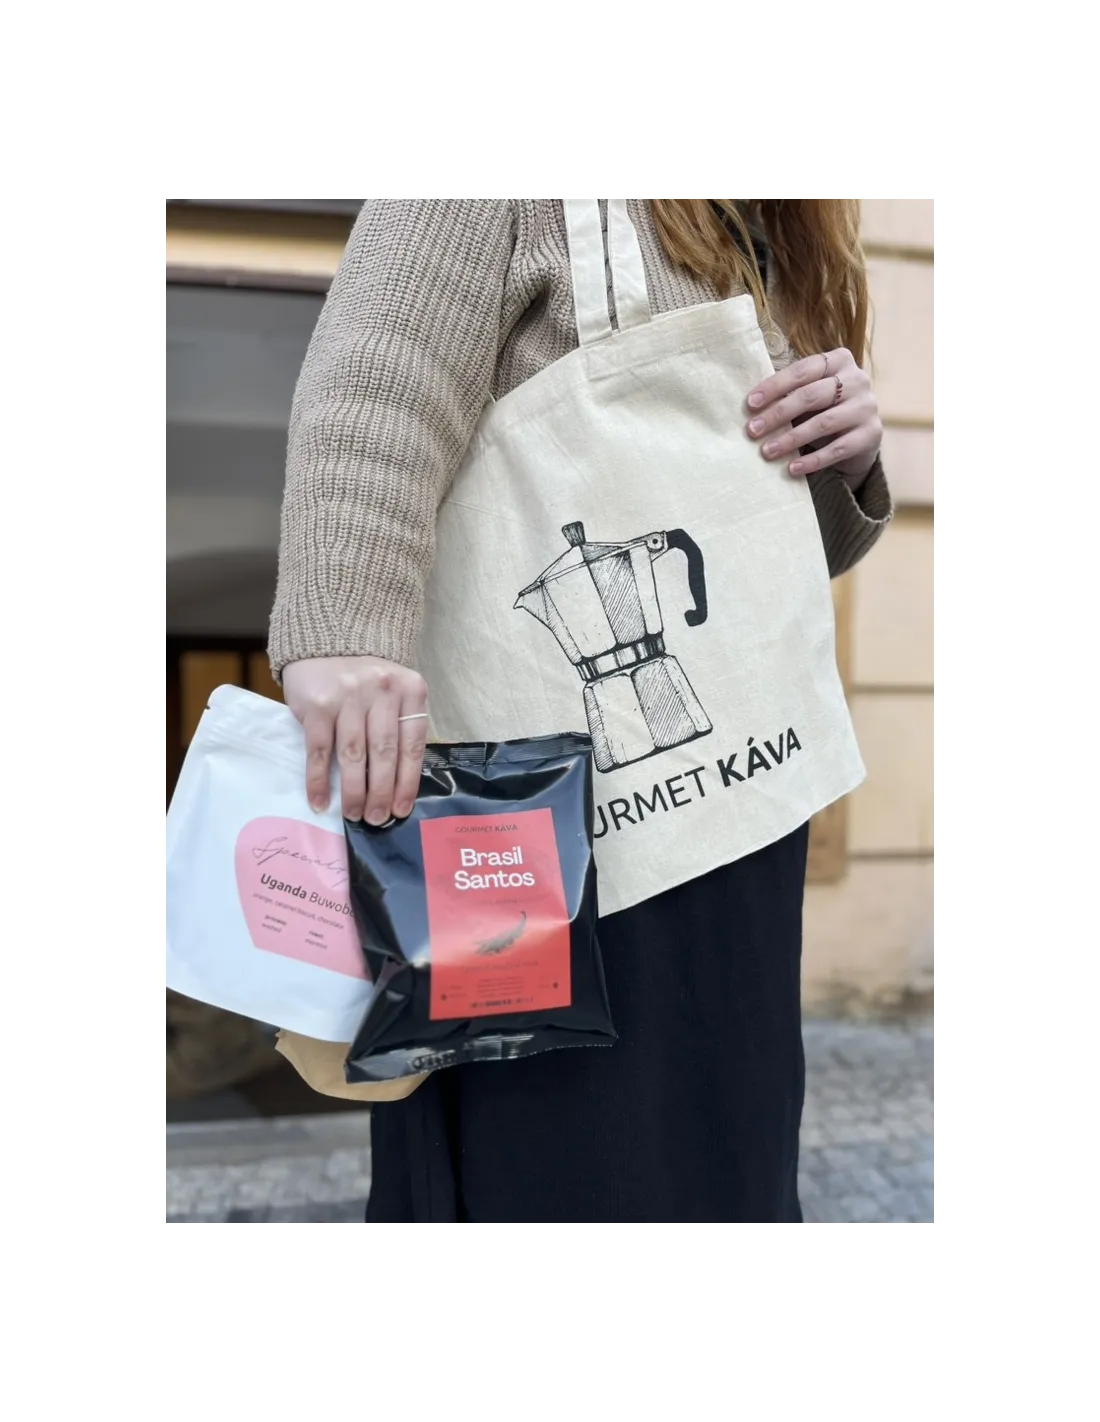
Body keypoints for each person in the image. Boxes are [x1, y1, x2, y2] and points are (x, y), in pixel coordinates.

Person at [269, 195, 891, 1224]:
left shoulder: (752, 217)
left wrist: (845, 456)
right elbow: (375, 386)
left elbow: (764, 554)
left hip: (732, 813)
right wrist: (344, 630)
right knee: (561, 1164)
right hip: (522, 813)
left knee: (723, 1155)